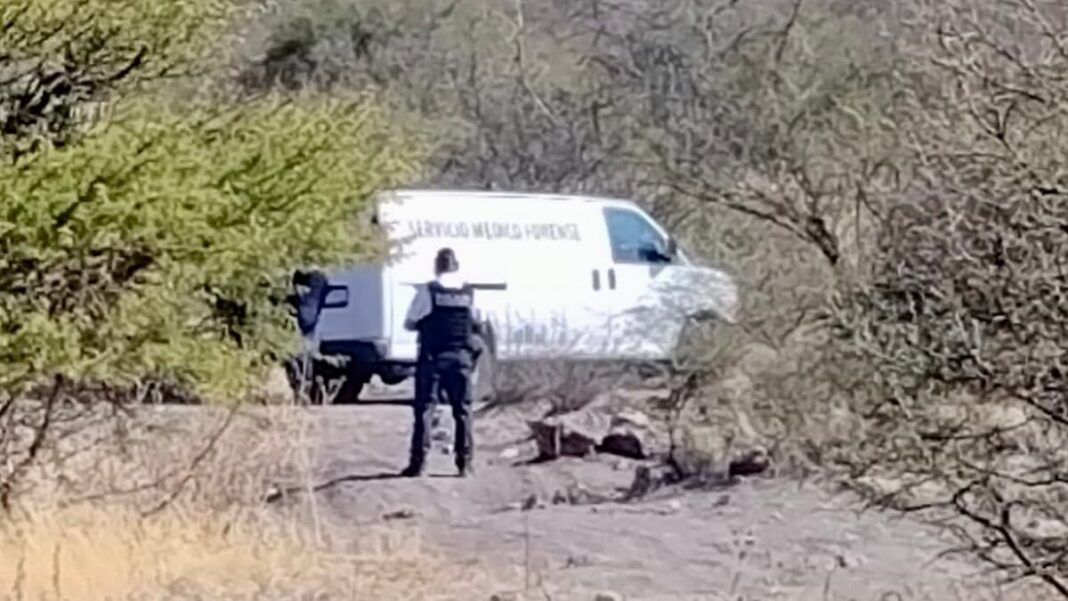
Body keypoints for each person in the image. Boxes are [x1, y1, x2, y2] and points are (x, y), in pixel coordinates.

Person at [400, 247, 484, 478]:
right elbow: (479, 322)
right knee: (463, 412)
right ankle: (464, 464)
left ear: (436, 266)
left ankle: (418, 464)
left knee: (425, 410)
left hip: (432, 358)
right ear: (456, 266)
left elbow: (409, 322)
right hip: (461, 359)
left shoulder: (428, 291)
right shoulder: (470, 293)